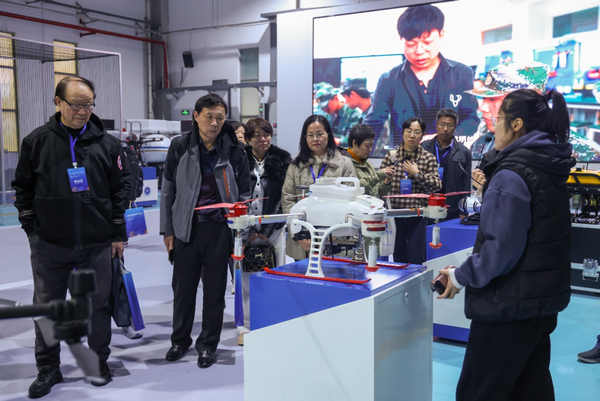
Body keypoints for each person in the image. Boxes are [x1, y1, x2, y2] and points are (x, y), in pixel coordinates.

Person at [438, 89, 576, 400]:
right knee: (529, 389)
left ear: (516, 125)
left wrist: (459, 276)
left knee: (479, 392)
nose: (493, 124)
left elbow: (501, 250)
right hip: (539, 303)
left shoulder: (511, 174)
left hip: (507, 306)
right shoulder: (547, 165)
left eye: (498, 117)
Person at [12, 76, 130, 397]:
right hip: (50, 244)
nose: (83, 110)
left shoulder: (107, 144)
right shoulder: (36, 142)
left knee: (98, 306)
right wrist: (32, 230)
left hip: (96, 243)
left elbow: (118, 192)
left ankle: (98, 362)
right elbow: (22, 188)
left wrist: (117, 235)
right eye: (76, 104)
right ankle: (49, 368)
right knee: (48, 307)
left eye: (88, 104)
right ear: (58, 102)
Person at [160, 93, 250, 369]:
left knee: (214, 292)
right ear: (196, 116)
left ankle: (208, 344)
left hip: (219, 230)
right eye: (209, 116)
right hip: (186, 229)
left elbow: (245, 194)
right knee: (183, 291)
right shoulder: (180, 146)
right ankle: (180, 340)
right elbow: (168, 190)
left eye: (220, 118)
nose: (214, 123)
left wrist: (239, 231)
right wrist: (167, 230)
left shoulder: (234, 150)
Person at [364, 4, 479, 156]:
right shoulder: (389, 80)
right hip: (403, 160)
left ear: (441, 35)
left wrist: (443, 138)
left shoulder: (461, 74)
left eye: (428, 43)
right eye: (410, 44)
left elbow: (470, 119)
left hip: (449, 158)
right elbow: (373, 123)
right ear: (401, 40)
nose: (419, 51)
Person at [237, 117, 292, 346]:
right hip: (245, 231)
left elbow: (283, 196)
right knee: (247, 281)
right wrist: (248, 231)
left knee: (275, 276)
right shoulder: (238, 159)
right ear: (248, 139)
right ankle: (247, 326)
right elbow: (236, 196)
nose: (263, 139)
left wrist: (267, 231)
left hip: (274, 231)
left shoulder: (283, 160)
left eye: (267, 134)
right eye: (257, 135)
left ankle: (273, 322)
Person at [282, 115, 356, 261]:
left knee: (334, 274)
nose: (315, 139)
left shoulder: (344, 164)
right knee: (303, 275)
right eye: (310, 135)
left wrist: (333, 234)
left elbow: (351, 201)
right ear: (305, 138)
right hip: (303, 242)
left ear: (328, 134)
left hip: (335, 240)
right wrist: (299, 234)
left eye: (320, 134)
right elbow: (288, 199)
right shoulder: (296, 165)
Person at [379, 117, 441, 264]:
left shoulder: (428, 158)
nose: (412, 135)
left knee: (416, 258)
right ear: (403, 133)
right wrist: (385, 181)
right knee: (398, 258)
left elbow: (437, 185)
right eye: (408, 131)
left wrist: (417, 174)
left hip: (417, 216)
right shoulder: (392, 156)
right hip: (394, 215)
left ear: (422, 135)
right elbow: (379, 186)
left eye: (417, 132)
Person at [421, 108, 472, 220]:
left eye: (450, 125)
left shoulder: (464, 152)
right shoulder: (424, 148)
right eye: (442, 124)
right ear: (436, 125)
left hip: (451, 209)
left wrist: (463, 211)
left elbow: (466, 184)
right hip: (427, 207)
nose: (445, 129)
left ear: (455, 127)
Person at [342, 124, 393, 198]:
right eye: (367, 145)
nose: (370, 149)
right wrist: (379, 175)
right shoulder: (344, 163)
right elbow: (355, 188)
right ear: (354, 143)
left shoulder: (368, 165)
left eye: (372, 145)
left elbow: (376, 193)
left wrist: (385, 183)